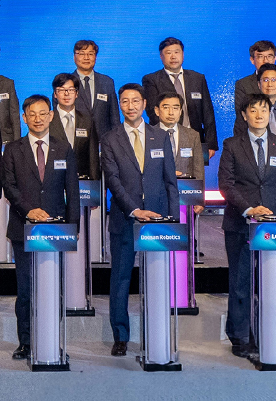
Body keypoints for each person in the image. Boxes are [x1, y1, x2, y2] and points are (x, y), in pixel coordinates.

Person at [100, 83, 180, 357]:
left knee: (156, 279)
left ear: (145, 104)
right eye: (125, 101)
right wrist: (134, 210)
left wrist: (173, 218)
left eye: (135, 101)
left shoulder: (160, 136)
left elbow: (171, 181)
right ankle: (120, 335)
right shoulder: (110, 139)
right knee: (121, 277)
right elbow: (113, 180)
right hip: (126, 218)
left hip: (158, 220)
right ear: (120, 106)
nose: (131, 106)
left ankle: (156, 334)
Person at [1, 94, 81, 360]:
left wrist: (73, 228)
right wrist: (29, 210)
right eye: (31, 114)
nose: (37, 118)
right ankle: (25, 341)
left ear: (51, 115)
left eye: (42, 113)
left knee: (52, 289)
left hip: (56, 231)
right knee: (25, 290)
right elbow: (9, 186)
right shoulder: (13, 149)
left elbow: (73, 189)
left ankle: (50, 339)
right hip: (23, 229)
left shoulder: (63, 148)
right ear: (24, 118)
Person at [217, 94, 276, 359]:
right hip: (240, 223)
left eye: (264, 109)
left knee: (271, 282)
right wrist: (249, 210)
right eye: (254, 110)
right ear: (244, 115)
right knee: (241, 282)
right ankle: (239, 336)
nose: (259, 114)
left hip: (274, 226)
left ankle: (267, 333)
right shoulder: (231, 145)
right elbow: (226, 185)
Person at [142, 37, 218, 162]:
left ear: (183, 54)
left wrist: (210, 144)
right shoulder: (151, 80)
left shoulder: (197, 78)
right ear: (161, 56)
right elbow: (152, 112)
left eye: (177, 52)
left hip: (195, 139)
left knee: (195, 179)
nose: (173, 56)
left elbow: (208, 112)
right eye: (168, 53)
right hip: (165, 138)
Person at [233, 40, 276, 136]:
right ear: (252, 60)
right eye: (260, 57)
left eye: (269, 56)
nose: (265, 60)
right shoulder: (243, 84)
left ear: (275, 58)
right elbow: (242, 117)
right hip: (254, 141)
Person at [48, 73, 100, 180]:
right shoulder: (47, 120)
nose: (67, 94)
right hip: (53, 180)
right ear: (55, 94)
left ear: (76, 93)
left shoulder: (87, 120)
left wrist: (95, 185)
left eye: (71, 90)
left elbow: (93, 156)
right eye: (62, 90)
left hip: (82, 183)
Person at [71, 40, 120, 140]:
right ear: (74, 57)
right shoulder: (66, 83)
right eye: (81, 54)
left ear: (95, 57)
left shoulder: (107, 82)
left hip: (103, 143)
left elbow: (114, 117)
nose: (86, 57)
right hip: (75, 142)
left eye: (90, 54)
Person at [153, 92, 203, 182]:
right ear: (157, 111)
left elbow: (198, 170)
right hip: (158, 190)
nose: (171, 113)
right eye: (166, 108)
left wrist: (198, 192)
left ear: (180, 112)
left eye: (175, 108)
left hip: (185, 189)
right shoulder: (148, 134)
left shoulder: (192, 135)